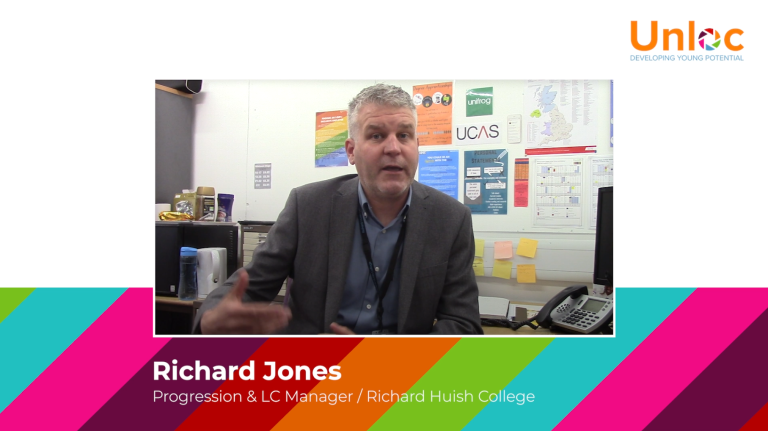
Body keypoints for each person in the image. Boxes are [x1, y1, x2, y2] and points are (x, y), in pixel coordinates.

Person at [194, 83, 481, 335]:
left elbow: (463, 323)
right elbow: (248, 286)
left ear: (417, 146)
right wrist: (210, 320)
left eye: (404, 135)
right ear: (351, 150)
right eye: (377, 136)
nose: (394, 148)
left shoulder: (451, 219)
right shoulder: (307, 207)